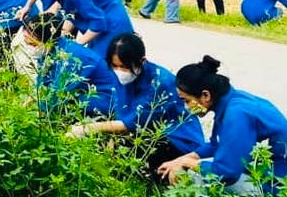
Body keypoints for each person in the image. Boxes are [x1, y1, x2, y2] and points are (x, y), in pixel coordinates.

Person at [157, 55, 287, 195]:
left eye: (186, 100)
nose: (186, 107)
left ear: (205, 95)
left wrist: (186, 164)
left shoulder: (237, 115)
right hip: (273, 177)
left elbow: (226, 172)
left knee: (190, 176)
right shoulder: (232, 102)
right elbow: (216, 144)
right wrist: (180, 160)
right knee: (189, 168)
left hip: (282, 189)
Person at [70, 34, 204, 179]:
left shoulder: (160, 82)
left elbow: (133, 122)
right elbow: (121, 112)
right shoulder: (123, 77)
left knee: (129, 152)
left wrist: (87, 128)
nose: (119, 71)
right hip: (146, 131)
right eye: (115, 66)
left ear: (142, 61)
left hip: (177, 140)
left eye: (125, 67)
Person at [24, 13, 117, 120]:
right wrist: (30, 100)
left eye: (33, 44)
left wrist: (33, 117)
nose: (29, 48)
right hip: (83, 91)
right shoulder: (49, 50)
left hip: (104, 98)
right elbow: (43, 82)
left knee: (64, 104)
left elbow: (56, 94)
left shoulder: (71, 57)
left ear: (47, 40)